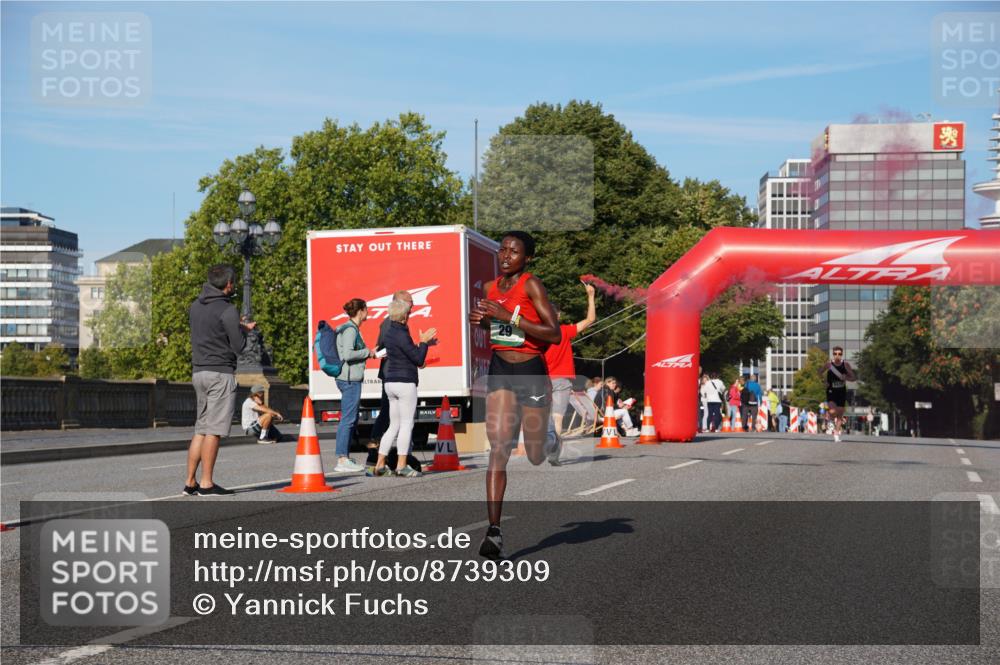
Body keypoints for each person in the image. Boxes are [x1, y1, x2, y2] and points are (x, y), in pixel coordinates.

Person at [469, 231, 561, 560]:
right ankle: (493, 532)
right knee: (499, 447)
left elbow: (554, 333)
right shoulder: (490, 288)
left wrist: (511, 317)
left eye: (514, 251)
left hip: (530, 370)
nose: (506, 255)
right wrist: (480, 321)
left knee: (535, 455)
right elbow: (494, 329)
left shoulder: (531, 285)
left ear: (527, 258)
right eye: (503, 249)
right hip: (500, 368)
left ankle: (549, 439)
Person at [184, 264, 253, 496]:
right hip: (220, 373)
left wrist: (235, 326)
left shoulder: (195, 305)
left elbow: (210, 331)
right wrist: (245, 330)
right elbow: (239, 347)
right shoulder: (228, 309)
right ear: (229, 284)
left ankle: (190, 482)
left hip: (199, 372)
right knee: (214, 430)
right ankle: (207, 483)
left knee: (201, 429)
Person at [372, 298, 437, 477]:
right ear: (405, 315)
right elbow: (417, 359)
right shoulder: (402, 333)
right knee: (407, 424)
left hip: (390, 381)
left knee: (393, 425)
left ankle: (379, 464)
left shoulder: (390, 332)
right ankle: (401, 466)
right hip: (404, 382)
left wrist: (423, 344)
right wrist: (424, 343)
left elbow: (404, 353)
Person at [542, 281, 597, 465]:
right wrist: (590, 296)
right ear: (558, 315)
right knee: (557, 419)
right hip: (562, 381)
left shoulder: (537, 333)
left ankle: (547, 444)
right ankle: (554, 453)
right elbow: (590, 320)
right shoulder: (565, 331)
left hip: (540, 381)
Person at [366, 290, 414, 475]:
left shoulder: (393, 324)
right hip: (395, 375)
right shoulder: (391, 325)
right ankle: (378, 455)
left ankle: (381, 459)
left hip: (391, 375)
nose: (412, 306)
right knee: (394, 419)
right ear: (399, 303)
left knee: (392, 420)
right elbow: (383, 348)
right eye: (410, 302)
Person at [334, 298, 375, 472]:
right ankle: (342, 459)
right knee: (348, 419)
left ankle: (345, 457)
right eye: (366, 309)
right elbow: (348, 354)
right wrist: (368, 352)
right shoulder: (350, 329)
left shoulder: (348, 328)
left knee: (350, 418)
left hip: (348, 378)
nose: (368, 312)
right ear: (361, 311)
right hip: (350, 380)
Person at [822, 345, 856, 442]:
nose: (837, 355)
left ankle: (836, 433)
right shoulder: (829, 364)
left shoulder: (845, 365)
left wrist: (846, 378)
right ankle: (829, 415)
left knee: (840, 414)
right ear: (833, 354)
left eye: (839, 354)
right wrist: (823, 381)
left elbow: (854, 378)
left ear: (842, 355)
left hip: (841, 391)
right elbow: (819, 372)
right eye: (835, 353)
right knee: (833, 411)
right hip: (831, 391)